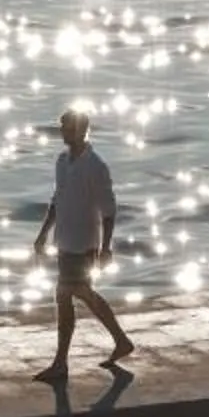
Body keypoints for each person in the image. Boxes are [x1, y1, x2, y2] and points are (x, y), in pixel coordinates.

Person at [31, 107, 134, 379]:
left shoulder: (96, 166)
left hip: (85, 244)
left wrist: (106, 248)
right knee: (80, 294)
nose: (62, 131)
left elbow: (109, 210)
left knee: (66, 295)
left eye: (67, 127)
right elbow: (57, 200)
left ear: (80, 130)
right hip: (65, 241)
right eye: (62, 126)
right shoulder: (62, 161)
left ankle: (61, 363)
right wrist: (43, 234)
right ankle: (120, 341)